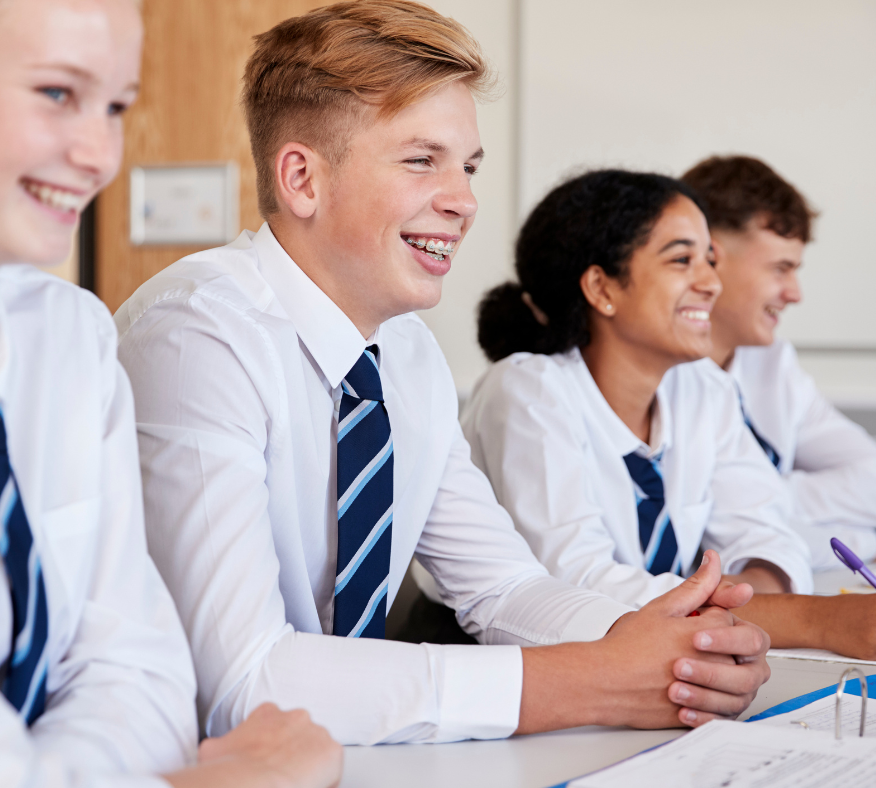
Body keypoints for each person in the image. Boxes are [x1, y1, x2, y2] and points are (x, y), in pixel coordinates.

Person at [115, 0, 772, 746]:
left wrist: (677, 648)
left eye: (469, 167)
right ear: (302, 178)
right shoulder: (197, 332)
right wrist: (595, 678)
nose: (463, 201)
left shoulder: (407, 354)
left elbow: (501, 587)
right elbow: (245, 681)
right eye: (422, 160)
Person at [0, 0, 342, 786]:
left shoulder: (68, 339)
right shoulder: (201, 326)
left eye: (115, 106)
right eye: (55, 94)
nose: (98, 153)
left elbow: (138, 675)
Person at [462, 169, 876, 662]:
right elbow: (578, 585)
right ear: (601, 287)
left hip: (673, 656)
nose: (710, 283)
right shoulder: (529, 390)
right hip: (525, 667)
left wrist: (735, 606)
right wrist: (808, 619)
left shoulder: (701, 387)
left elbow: (767, 531)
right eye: (683, 260)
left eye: (710, 260)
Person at [680, 155, 876, 568]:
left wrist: (755, 496)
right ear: (710, 258)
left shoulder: (773, 364)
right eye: (781, 268)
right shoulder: (657, 373)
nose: (794, 293)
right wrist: (869, 544)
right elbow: (699, 542)